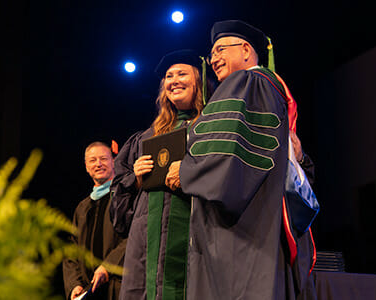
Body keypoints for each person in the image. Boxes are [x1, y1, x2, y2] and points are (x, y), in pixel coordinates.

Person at [165, 20, 317, 299]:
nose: (213, 59)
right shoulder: (272, 88)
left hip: (241, 232)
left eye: (221, 49)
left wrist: (187, 170)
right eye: (212, 54)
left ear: (246, 50)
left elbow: (226, 150)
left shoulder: (247, 82)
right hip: (266, 221)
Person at [109, 49, 210, 300]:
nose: (173, 80)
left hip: (192, 233)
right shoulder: (147, 136)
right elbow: (119, 191)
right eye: (168, 76)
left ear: (199, 80)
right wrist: (136, 178)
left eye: (182, 74)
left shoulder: (211, 126)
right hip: (146, 237)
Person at [63, 141, 126, 300]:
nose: (98, 164)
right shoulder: (82, 208)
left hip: (118, 287)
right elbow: (72, 249)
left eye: (104, 159)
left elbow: (134, 237)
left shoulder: (124, 198)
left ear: (113, 162)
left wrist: (107, 266)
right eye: (92, 160)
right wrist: (74, 285)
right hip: (87, 291)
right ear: (86, 166)